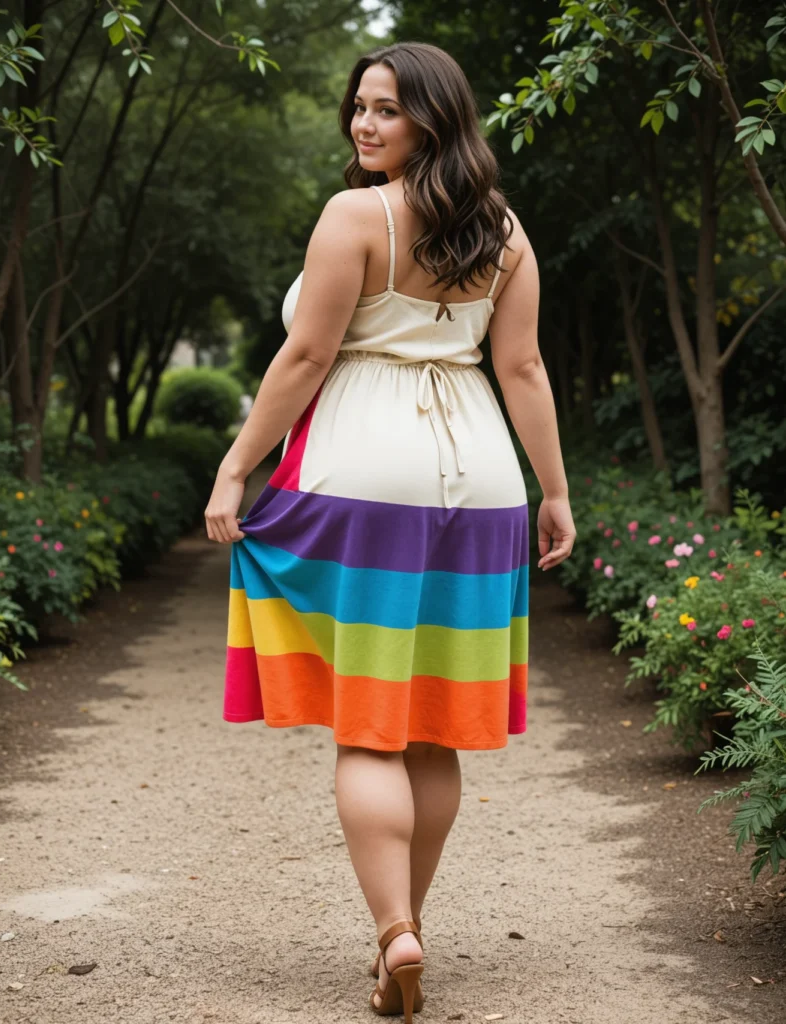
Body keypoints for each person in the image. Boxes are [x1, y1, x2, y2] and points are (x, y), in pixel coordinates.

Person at [204, 40, 575, 1023]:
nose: (363, 125)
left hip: (362, 473)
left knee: (369, 721)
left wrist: (236, 466)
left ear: (430, 120)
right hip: (481, 481)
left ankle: (394, 931)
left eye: (385, 110)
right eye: (357, 107)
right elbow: (522, 369)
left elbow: (308, 355)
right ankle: (407, 929)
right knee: (435, 724)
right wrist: (552, 490)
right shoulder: (503, 230)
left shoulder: (354, 216)